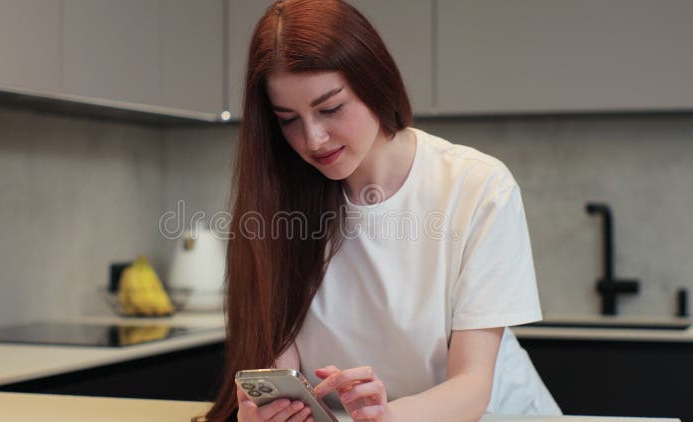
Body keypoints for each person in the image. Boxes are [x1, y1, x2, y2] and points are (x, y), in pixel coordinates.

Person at [201, 0, 561, 420]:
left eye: (330, 108)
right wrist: (265, 411)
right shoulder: (279, 199)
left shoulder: (476, 186)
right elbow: (283, 369)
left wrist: (388, 416)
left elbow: (472, 385)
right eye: (288, 119)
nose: (314, 139)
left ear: (375, 82)